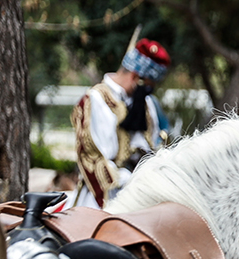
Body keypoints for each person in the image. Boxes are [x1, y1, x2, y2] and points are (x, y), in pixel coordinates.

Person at [70, 38, 171, 208]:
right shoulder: (95, 100)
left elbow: (151, 147)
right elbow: (94, 158)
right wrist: (132, 180)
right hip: (101, 201)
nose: (149, 92)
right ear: (135, 77)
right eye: (147, 86)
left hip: (142, 196)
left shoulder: (147, 105)